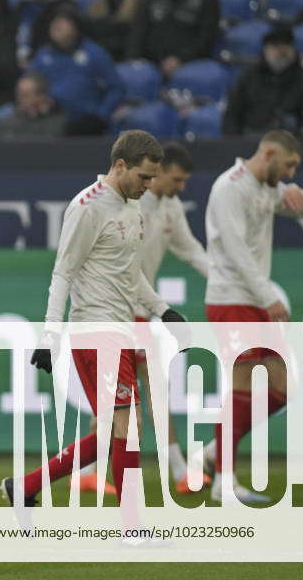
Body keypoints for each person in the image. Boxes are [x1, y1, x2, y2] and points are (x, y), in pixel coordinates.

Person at [0, 131, 186, 531]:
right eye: (144, 176)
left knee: (115, 431)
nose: (148, 185)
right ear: (120, 166)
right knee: (126, 428)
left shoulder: (131, 207)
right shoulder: (86, 207)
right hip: (95, 330)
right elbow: (63, 272)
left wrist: (163, 310)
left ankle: (25, 485)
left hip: (122, 329)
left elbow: (130, 273)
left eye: (153, 178)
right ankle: (133, 527)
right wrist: (49, 336)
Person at [74, 143, 210, 496]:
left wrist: (221, 278)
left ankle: (88, 471)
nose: (180, 187)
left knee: (120, 401)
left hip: (140, 312)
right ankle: (179, 470)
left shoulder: (170, 206)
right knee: (146, 393)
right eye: (176, 179)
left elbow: (190, 248)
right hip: (119, 311)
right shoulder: (129, 205)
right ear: (158, 172)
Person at [201, 130, 303, 503]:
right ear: (268, 154)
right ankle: (224, 482)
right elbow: (236, 251)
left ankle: (213, 453)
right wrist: (269, 297)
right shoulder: (230, 189)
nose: (289, 173)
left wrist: (300, 196)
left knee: (283, 388)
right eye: (288, 165)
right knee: (242, 385)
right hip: (233, 298)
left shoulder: (267, 188)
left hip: (253, 299)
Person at [31, 9, 124, 136]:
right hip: (49, 115)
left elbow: (116, 88)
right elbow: (29, 82)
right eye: (54, 22)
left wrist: (102, 113)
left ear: (76, 28)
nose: (57, 25)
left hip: (84, 119)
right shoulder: (43, 55)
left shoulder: (94, 53)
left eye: (63, 22)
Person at [222, 25, 303, 137]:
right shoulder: (248, 78)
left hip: (293, 145)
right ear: (265, 50)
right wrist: (236, 144)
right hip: (252, 142)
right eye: (275, 46)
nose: (281, 51)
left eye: (286, 45)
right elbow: (232, 116)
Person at [127, 0, 221, 78]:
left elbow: (206, 38)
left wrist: (181, 59)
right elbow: (139, 31)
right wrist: (134, 58)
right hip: (149, 62)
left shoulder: (208, 0)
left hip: (187, 63)